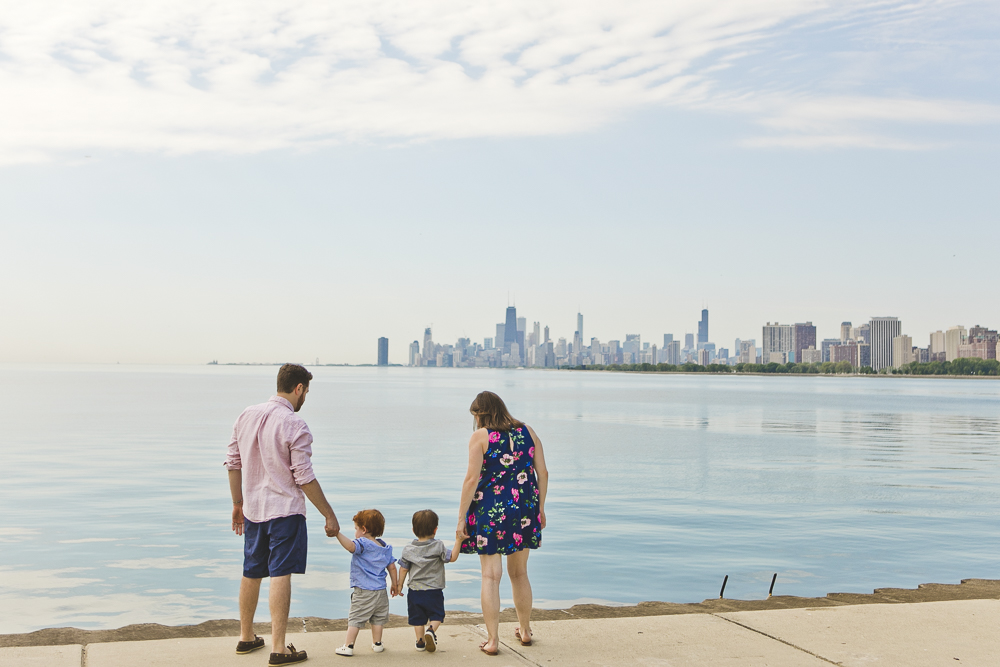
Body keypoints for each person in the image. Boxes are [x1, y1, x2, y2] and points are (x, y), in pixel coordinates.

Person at [225, 363, 340, 667]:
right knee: (280, 573)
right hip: (285, 511)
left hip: (253, 510)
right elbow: (303, 476)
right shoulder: (294, 424)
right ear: (299, 388)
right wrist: (329, 514)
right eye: (306, 392)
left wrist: (237, 503)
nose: (305, 398)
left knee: (251, 570)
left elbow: (233, 462)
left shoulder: (246, 415)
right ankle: (278, 647)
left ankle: (246, 637)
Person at [456, 391, 548, 656]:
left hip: (490, 512)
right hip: (524, 511)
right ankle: (526, 631)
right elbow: (542, 472)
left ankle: (493, 640)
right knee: (519, 574)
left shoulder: (480, 437)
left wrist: (461, 518)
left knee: (490, 576)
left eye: (476, 416)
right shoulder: (528, 432)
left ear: (480, 414)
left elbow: (471, 480)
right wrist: (540, 508)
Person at [393, 509, 461, 652]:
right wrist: (458, 541)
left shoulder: (408, 549)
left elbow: (403, 569)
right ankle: (431, 630)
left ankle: (420, 642)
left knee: (418, 618)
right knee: (437, 615)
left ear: (413, 530)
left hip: (415, 591)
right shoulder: (438, 546)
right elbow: (452, 557)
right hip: (434, 590)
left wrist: (399, 586)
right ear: (435, 530)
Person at [334, 509, 398, 657]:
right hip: (381, 591)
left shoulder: (362, 544)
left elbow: (351, 547)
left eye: (356, 529)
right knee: (378, 618)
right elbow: (392, 567)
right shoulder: (384, 547)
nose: (355, 532)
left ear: (363, 529)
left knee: (355, 618)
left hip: (364, 590)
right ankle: (377, 644)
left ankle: (348, 646)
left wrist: (337, 533)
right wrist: (394, 584)